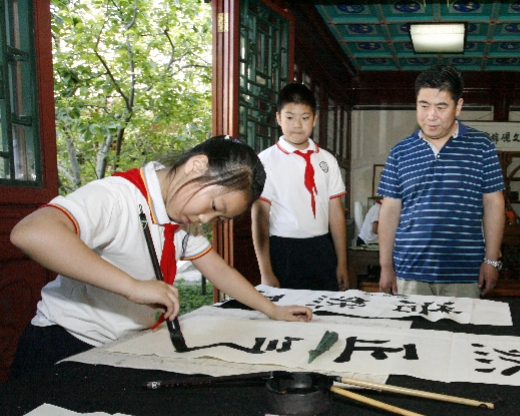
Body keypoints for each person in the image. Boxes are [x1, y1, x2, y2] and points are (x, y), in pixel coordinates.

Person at [9, 135, 312, 380]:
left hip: (119, 348)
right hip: (64, 346)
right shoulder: (119, 197)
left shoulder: (179, 213)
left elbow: (217, 269)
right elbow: (32, 232)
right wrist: (132, 286)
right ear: (197, 165)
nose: (205, 219)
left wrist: (271, 310)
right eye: (214, 206)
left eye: (218, 217)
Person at [377, 65, 505, 298]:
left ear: (458, 107)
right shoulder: (400, 152)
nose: (431, 115)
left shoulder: (482, 147)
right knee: (412, 334)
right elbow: (389, 211)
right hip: (410, 272)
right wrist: (386, 266)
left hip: (465, 274)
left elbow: (494, 204)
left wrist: (492, 260)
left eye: (441, 106)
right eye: (423, 106)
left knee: (461, 333)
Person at [251, 83, 348, 292]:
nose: (297, 124)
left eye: (304, 118)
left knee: (325, 313)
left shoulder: (327, 160)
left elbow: (336, 214)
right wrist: (266, 271)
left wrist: (342, 263)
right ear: (278, 118)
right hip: (283, 250)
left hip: (322, 248)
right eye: (289, 117)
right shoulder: (265, 161)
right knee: (287, 317)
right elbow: (259, 217)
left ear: (314, 119)